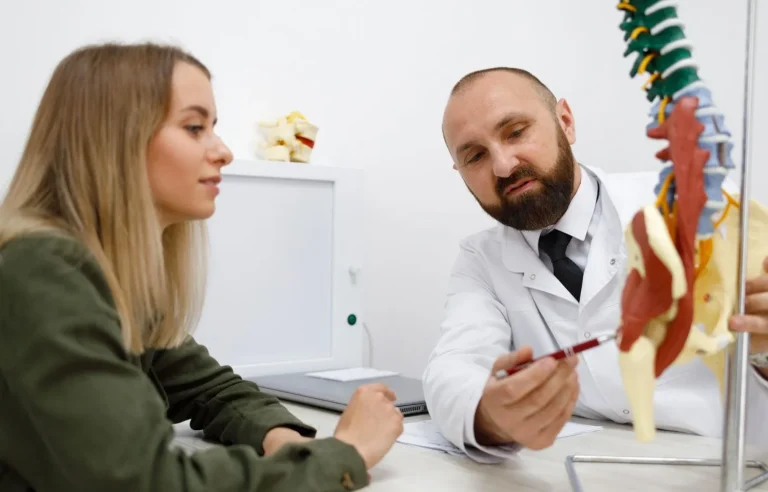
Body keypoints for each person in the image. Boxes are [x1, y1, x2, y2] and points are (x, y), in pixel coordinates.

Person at [0, 42, 403, 491]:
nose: (224, 151)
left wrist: (282, 439)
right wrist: (343, 454)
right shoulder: (46, 271)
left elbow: (208, 388)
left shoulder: (113, 276)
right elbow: (145, 482)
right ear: (113, 140)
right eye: (194, 127)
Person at [422, 66, 768, 463]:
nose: (502, 165)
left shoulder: (696, 206)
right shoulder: (481, 259)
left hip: (728, 467)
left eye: (516, 132)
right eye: (475, 156)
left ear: (565, 122)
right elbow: (452, 367)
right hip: (595, 469)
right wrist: (490, 415)